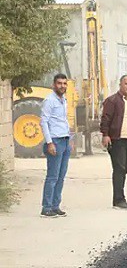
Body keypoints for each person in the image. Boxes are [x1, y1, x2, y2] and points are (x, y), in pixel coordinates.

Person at [100, 75, 127, 210]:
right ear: (120, 85)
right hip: (117, 140)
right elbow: (105, 119)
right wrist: (105, 135)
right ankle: (118, 200)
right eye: (126, 84)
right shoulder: (112, 101)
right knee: (119, 169)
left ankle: (121, 197)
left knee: (125, 169)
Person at [39, 74, 72, 218]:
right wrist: (49, 142)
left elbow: (62, 120)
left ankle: (55, 205)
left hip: (64, 140)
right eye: (59, 83)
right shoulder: (49, 100)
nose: (62, 86)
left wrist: (69, 137)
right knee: (52, 176)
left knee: (61, 176)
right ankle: (46, 208)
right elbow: (44, 122)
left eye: (64, 83)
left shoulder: (63, 100)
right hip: (55, 141)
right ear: (54, 84)